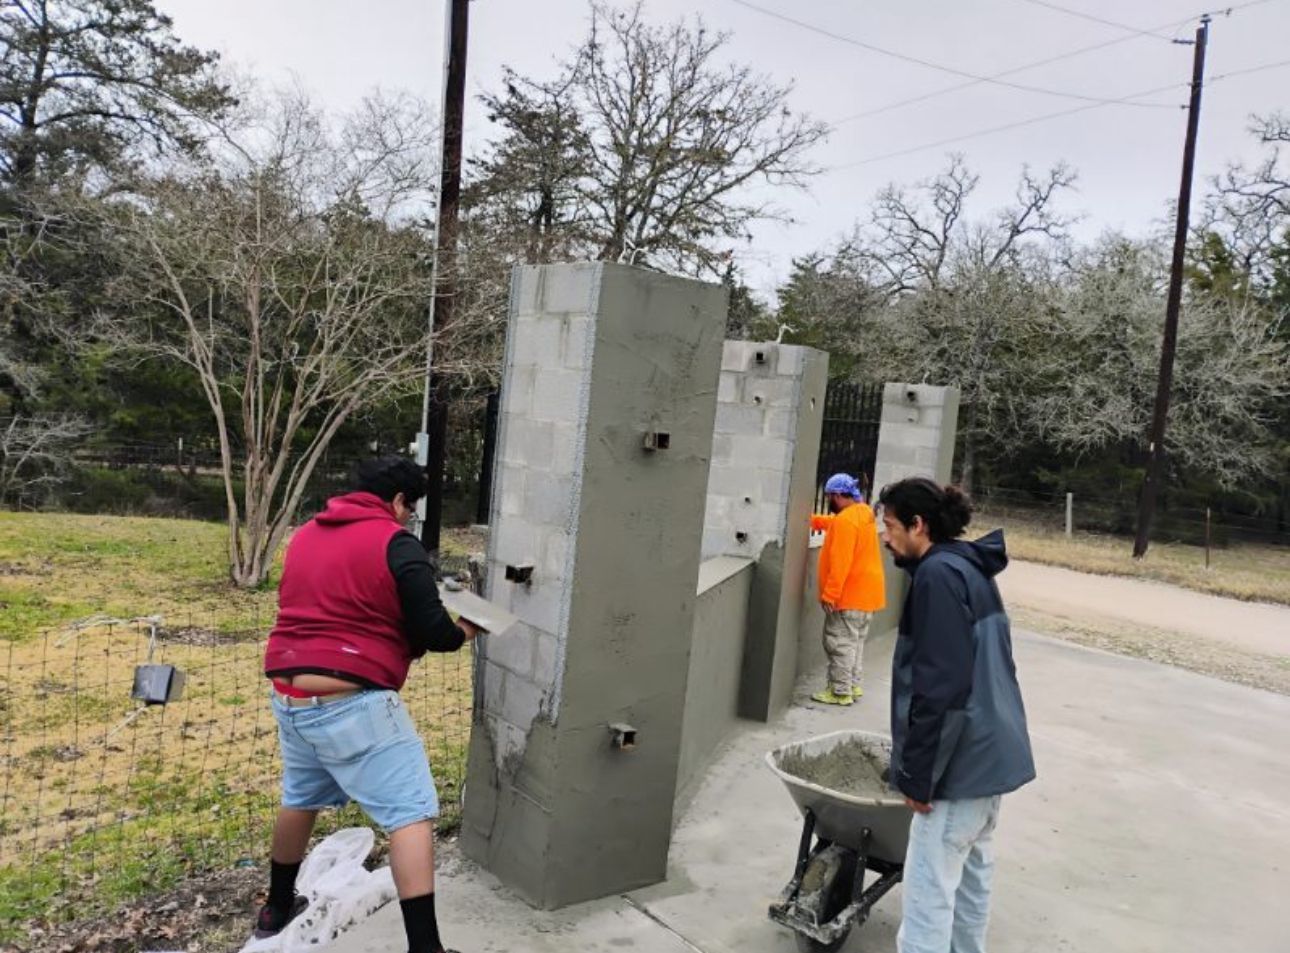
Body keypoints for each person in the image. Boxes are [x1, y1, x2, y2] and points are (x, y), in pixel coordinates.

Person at [255, 456, 480, 953]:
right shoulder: (397, 543)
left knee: (300, 797)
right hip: (351, 701)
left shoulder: (307, 534)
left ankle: (275, 909)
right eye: (410, 507)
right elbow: (437, 633)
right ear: (399, 501)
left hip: (290, 693)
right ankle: (426, 949)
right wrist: (471, 625)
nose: (409, 517)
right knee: (411, 814)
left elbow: (337, 606)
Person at [877, 477, 1036, 953]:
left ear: (917, 525)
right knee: (970, 883)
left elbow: (939, 688)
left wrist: (918, 778)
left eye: (889, 525)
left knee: (928, 895)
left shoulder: (938, 577)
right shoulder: (969, 568)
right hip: (992, 756)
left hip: (960, 767)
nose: (885, 537)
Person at [808, 472, 887, 706]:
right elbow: (836, 524)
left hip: (849, 596)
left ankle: (840, 692)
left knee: (838, 643)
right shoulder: (862, 513)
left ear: (839, 495)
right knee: (855, 643)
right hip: (867, 596)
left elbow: (841, 562)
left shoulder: (845, 521)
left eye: (830, 496)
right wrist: (812, 520)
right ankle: (852, 684)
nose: (828, 500)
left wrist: (830, 594)